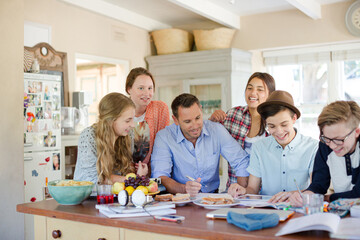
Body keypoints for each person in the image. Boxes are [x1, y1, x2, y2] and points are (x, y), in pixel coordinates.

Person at [151, 93, 250, 197]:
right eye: (188, 121)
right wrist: (184, 189)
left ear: (201, 110)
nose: (195, 126)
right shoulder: (164, 137)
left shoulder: (216, 130)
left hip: (213, 197)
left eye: (198, 118)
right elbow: (160, 177)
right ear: (175, 120)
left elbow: (241, 161)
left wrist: (239, 191)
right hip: (179, 198)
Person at [228, 90, 318, 203]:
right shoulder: (259, 148)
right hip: (268, 210)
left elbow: (316, 189)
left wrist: (290, 195)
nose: (279, 132)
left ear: (294, 119)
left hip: (299, 209)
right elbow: (253, 190)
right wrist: (243, 191)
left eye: (284, 124)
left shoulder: (312, 147)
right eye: (272, 126)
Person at [209, 72, 276, 188]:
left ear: (270, 94)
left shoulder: (275, 122)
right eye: (249, 88)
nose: (253, 93)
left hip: (265, 193)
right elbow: (208, 139)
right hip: (235, 191)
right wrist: (212, 120)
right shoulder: (233, 115)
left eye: (260, 90)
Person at [290, 101, 360, 206]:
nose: (332, 146)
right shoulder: (325, 146)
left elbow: (357, 194)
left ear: (356, 132)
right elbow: (318, 185)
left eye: (339, 139)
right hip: (341, 210)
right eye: (326, 138)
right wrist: (307, 195)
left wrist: (328, 198)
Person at [74, 92, 148, 184]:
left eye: (133, 119)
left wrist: (137, 172)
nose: (133, 125)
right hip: (88, 196)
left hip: (114, 195)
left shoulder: (128, 134)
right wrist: (135, 179)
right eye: (128, 120)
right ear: (110, 121)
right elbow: (92, 179)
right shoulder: (89, 136)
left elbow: (124, 171)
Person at [125, 67, 170, 170]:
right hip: (123, 173)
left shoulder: (160, 109)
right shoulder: (118, 111)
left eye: (150, 88)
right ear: (129, 89)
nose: (147, 93)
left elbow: (163, 146)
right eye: (141, 88)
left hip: (153, 171)